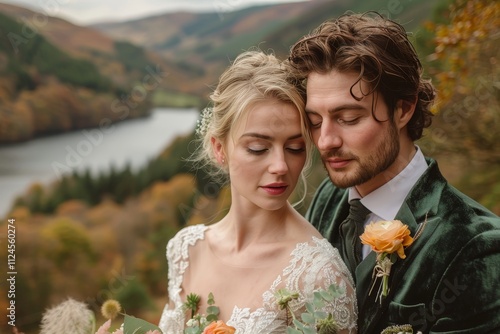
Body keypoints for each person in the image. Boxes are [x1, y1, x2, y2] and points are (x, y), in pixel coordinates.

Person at [287, 11, 500, 334]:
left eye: (348, 118)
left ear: (403, 108)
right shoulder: (327, 198)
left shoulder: (478, 247)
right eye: (315, 122)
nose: (325, 141)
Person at [158, 50, 358, 333]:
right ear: (219, 149)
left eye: (294, 148)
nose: (280, 166)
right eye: (258, 148)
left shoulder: (318, 276)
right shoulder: (185, 250)